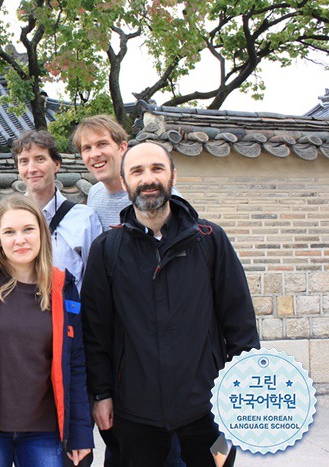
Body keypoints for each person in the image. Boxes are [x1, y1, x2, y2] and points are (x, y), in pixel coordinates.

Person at [80, 142, 260, 466]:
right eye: (137, 171)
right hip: (134, 414)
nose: (148, 178)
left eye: (157, 168)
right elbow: (96, 332)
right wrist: (101, 393)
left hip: (208, 410)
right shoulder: (106, 249)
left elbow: (240, 322)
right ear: (124, 183)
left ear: (172, 175)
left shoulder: (209, 239)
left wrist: (243, 391)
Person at [0, 195, 94, 466]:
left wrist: (81, 434)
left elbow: (76, 363)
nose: (20, 239)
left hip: (45, 432)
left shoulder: (63, 287)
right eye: (10, 232)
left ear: (42, 233)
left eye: (28, 229)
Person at [73, 115, 185, 467]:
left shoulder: (156, 193)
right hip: (118, 334)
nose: (95, 154)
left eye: (103, 144)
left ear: (123, 147)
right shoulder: (93, 195)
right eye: (87, 148)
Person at [12, 130, 102, 292]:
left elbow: (95, 283)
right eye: (24, 161)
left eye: (40, 159)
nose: (31, 168)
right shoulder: (8, 219)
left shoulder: (83, 219)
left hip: (68, 314)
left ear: (56, 164)